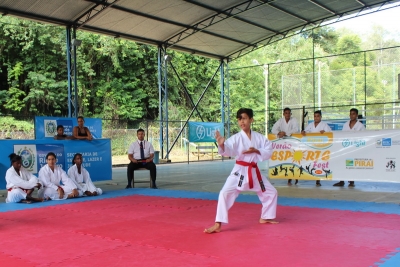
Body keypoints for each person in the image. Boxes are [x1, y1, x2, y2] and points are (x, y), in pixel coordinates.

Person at [204, 108, 278, 234]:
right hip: (240, 172)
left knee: (271, 192)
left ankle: (265, 217)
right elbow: (229, 150)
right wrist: (222, 145)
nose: (241, 122)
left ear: (251, 119)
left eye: (244, 118)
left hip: (254, 172)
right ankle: (218, 223)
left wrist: (256, 151)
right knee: (224, 193)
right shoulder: (236, 138)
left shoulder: (260, 138)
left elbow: (269, 150)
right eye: (239, 119)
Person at [333, 108, 365, 187]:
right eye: (351, 114)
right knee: (342, 163)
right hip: (346, 147)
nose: (352, 115)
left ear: (357, 115)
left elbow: (364, 136)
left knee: (351, 164)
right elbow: (342, 135)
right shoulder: (346, 124)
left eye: (353, 114)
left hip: (355, 147)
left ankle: (351, 181)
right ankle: (341, 180)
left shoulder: (360, 126)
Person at [301, 110, 332, 187]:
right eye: (315, 116)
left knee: (319, 163)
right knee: (312, 163)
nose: (316, 118)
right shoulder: (311, 124)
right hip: (312, 147)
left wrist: (324, 132)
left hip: (321, 147)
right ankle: (311, 175)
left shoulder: (324, 125)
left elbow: (330, 133)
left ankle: (318, 180)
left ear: (321, 117)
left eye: (318, 116)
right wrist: (303, 132)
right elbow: (305, 131)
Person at [271, 107, 300, 185]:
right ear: (283, 114)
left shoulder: (293, 120)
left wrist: (285, 133)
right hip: (284, 144)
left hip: (294, 142)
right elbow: (273, 129)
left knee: (295, 159)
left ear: (291, 114)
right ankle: (289, 178)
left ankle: (296, 176)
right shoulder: (280, 121)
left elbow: (296, 129)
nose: (287, 114)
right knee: (288, 160)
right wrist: (279, 133)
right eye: (286, 113)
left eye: (289, 113)